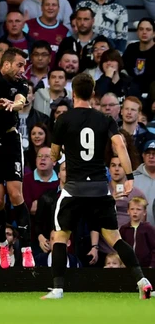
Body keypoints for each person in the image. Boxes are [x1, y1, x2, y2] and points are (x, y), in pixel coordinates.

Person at [43, 73, 152, 300]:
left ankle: (58, 289)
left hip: (74, 189)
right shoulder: (105, 120)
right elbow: (120, 146)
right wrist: (130, 176)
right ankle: (143, 281)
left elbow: (53, 155)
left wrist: (60, 154)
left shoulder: (64, 119)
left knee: (61, 236)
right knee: (114, 238)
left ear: (73, 94)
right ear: (93, 93)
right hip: (100, 189)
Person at [0, 48, 34, 268]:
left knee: (15, 193)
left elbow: (21, 99)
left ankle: (26, 249)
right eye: (20, 65)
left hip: (10, 140)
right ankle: (2, 244)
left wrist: (14, 104)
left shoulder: (20, 83)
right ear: (7, 64)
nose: (23, 69)